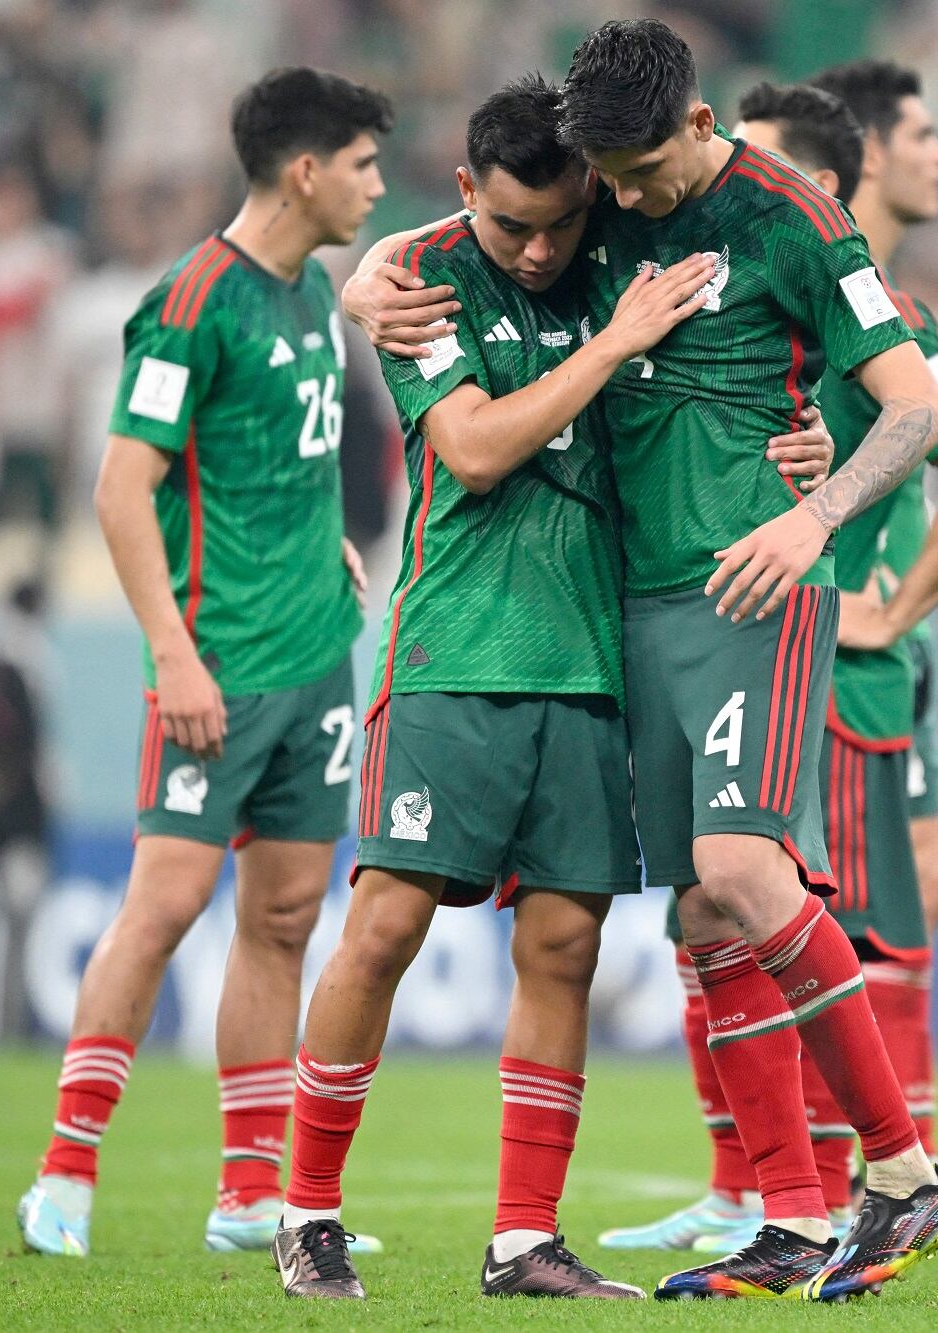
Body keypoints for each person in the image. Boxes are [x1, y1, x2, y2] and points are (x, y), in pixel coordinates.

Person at [269, 77, 715, 1303]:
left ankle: (524, 1239)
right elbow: (466, 449)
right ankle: (304, 1212)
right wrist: (616, 342)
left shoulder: (606, 254)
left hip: (586, 662)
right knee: (387, 925)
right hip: (454, 655)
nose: (535, 248)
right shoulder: (429, 286)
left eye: (559, 224)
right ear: (465, 192)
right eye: (509, 222)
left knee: (565, 943)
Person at [556, 21, 938, 1301]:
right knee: (696, 914)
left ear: (694, 123)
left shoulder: (793, 215)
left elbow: (918, 407)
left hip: (754, 586)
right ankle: (789, 1215)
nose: (618, 198)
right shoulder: (600, 190)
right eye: (603, 173)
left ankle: (901, 1172)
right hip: (636, 598)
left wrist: (816, 513)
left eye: (637, 169)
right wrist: (370, 281)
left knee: (741, 867)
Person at [15, 67, 394, 1261]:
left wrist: (313, 533)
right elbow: (120, 489)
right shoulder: (192, 301)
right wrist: (172, 656)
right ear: (304, 171)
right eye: (364, 165)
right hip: (215, 667)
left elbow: (273, 457)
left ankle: (246, 1195)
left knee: (283, 914)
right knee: (166, 905)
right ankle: (64, 1173)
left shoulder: (311, 296)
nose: (376, 186)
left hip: (315, 658)